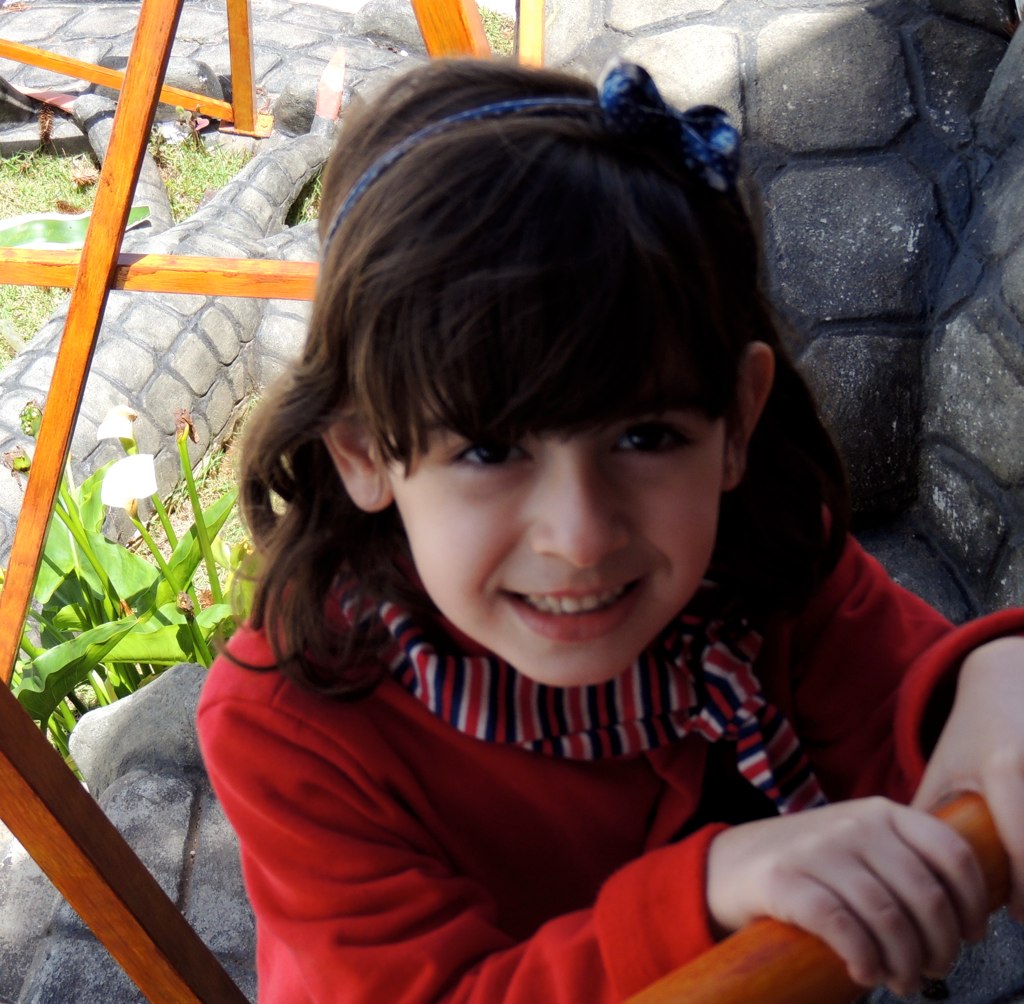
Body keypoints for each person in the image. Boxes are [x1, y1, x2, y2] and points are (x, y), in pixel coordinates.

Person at [197, 57, 1024, 1003]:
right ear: (363, 454)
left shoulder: (765, 559)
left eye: (646, 435)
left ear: (737, 425)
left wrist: (991, 677)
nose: (581, 536)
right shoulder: (290, 727)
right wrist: (704, 897)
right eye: (490, 450)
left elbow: (905, 701)